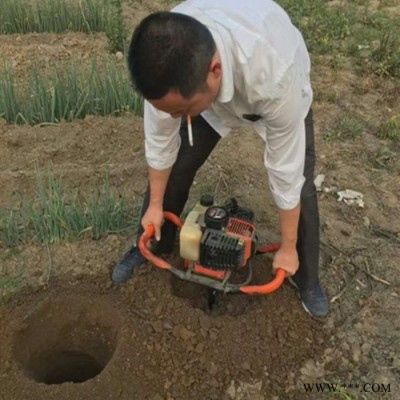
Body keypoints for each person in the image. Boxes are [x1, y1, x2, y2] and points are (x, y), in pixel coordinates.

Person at [112, 0, 329, 318]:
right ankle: (153, 245)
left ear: (214, 72)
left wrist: (286, 243)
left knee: (300, 186)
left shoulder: (276, 73)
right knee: (179, 165)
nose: (173, 117)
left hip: (269, 85)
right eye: (167, 110)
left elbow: (286, 172)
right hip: (207, 87)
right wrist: (156, 205)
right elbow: (161, 142)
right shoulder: (164, 62)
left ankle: (305, 275)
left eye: (180, 111)